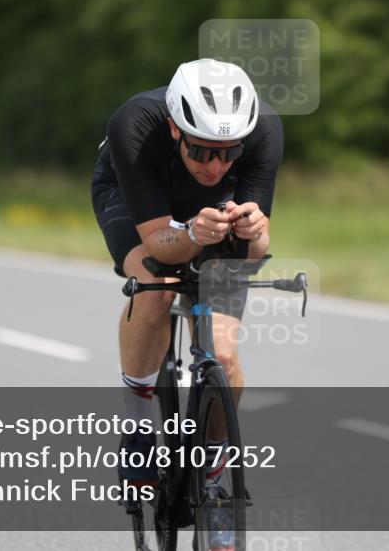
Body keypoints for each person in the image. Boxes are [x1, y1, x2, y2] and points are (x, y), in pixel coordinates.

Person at [91, 58, 283, 550]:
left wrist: (254, 230)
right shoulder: (133, 124)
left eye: (228, 153)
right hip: (138, 197)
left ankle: (214, 469)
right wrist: (193, 232)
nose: (215, 165)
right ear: (175, 127)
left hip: (217, 212)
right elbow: (158, 243)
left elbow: (254, 252)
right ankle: (136, 433)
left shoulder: (264, 130)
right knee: (155, 290)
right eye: (200, 150)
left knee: (223, 353)